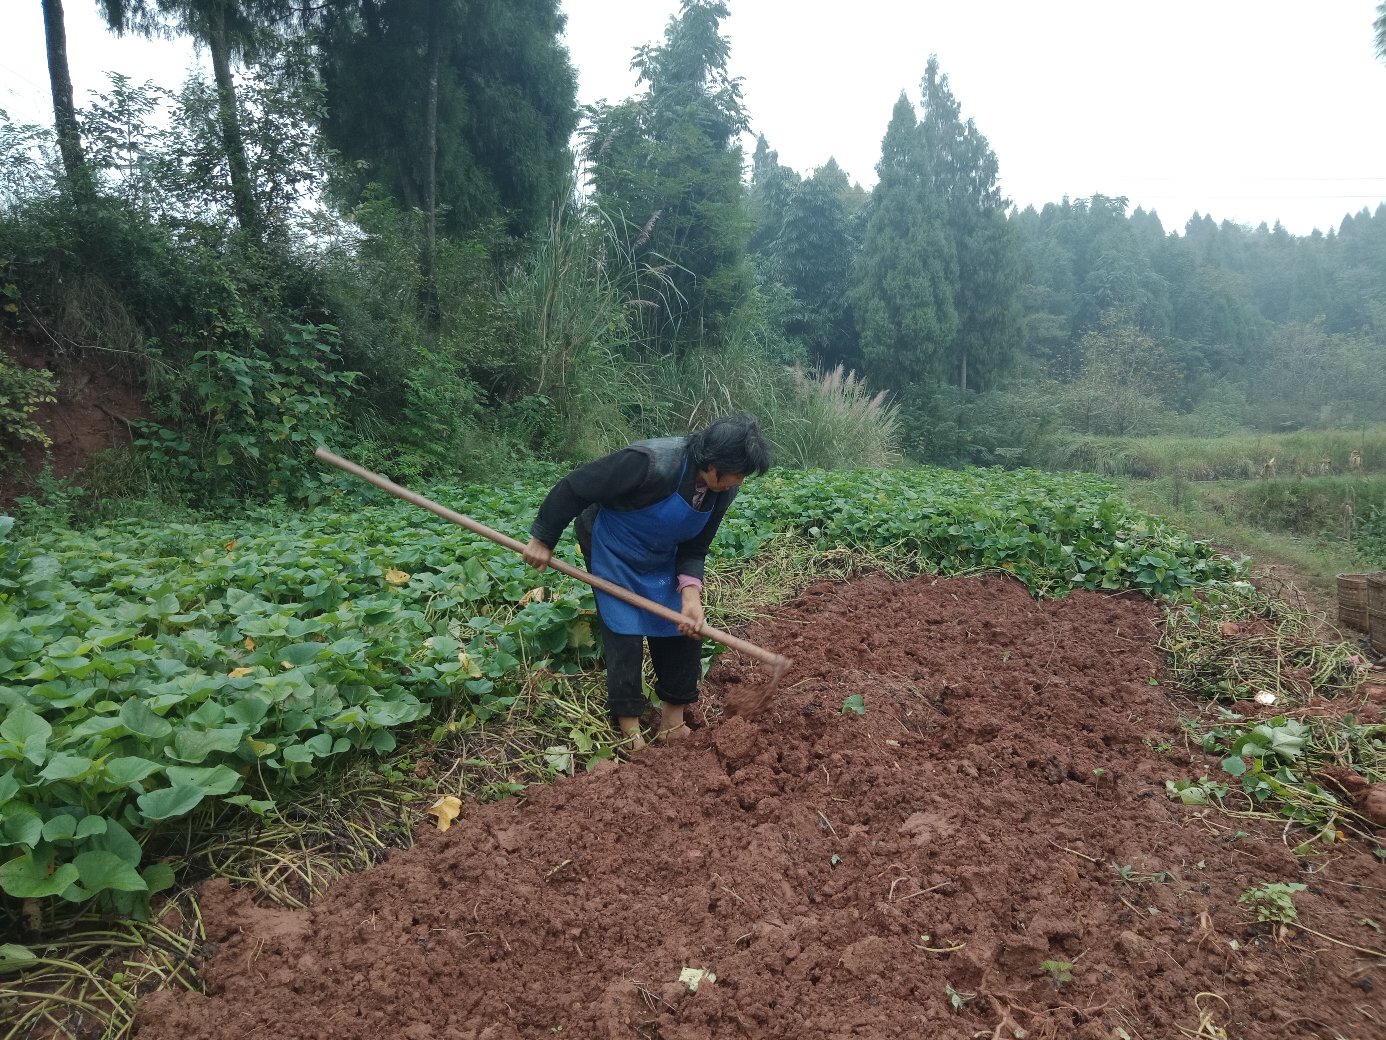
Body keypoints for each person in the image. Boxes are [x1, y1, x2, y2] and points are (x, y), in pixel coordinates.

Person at [522, 413, 772, 749]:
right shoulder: (649, 463)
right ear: (714, 463)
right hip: (613, 547)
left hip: (660, 553)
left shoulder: (721, 492)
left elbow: (695, 546)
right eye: (736, 474)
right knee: (623, 628)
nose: (738, 482)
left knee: (683, 629)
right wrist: (543, 537)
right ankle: (630, 730)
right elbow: (576, 486)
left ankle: (673, 723)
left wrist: (690, 597)